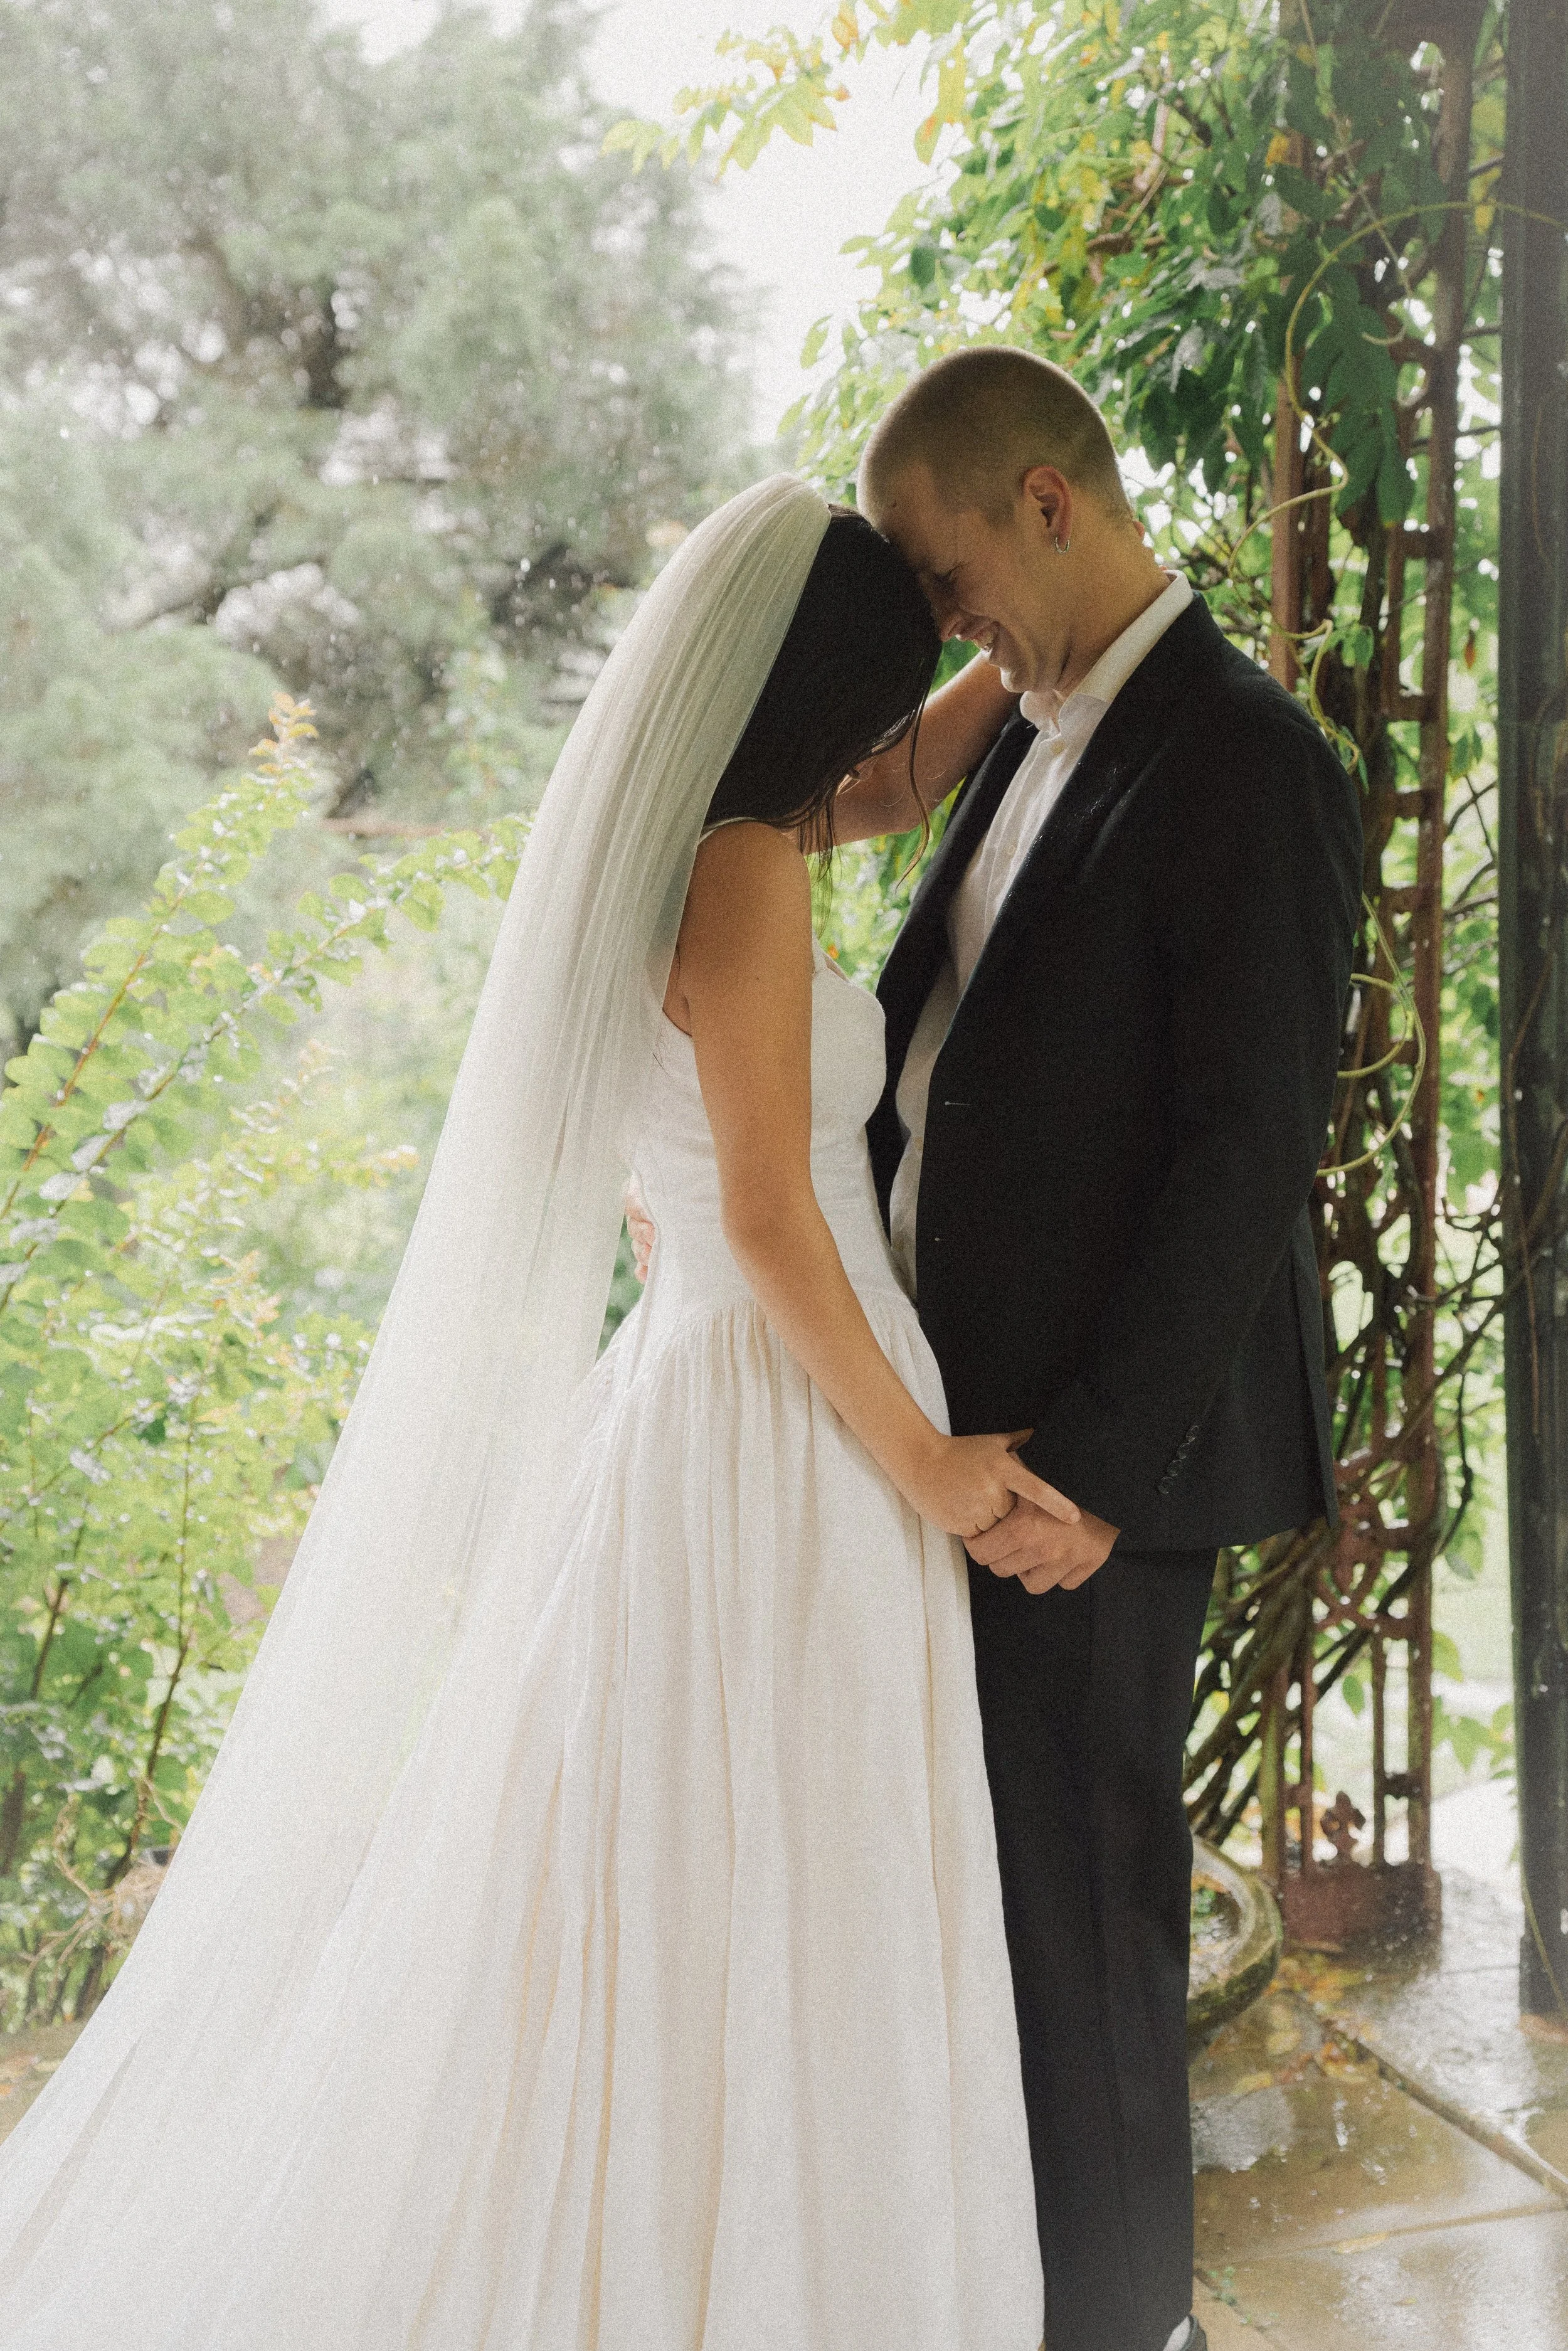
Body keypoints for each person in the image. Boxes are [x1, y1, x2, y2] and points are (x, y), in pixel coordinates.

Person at [0, 477, 1054, 2350]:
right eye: (882, 696)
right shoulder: (735, 865)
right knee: (774, 1873)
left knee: (714, 1867)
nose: (887, 743)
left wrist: (1032, 656)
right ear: (808, 704)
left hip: (719, 1391)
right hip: (783, 1415)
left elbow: (881, 794)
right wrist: (925, 1461)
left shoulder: (711, 828)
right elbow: (754, 1213)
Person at [835, 346, 1362, 2351]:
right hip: (973, 1442)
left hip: (1089, 1463)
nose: (932, 612)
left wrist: (1091, 1477)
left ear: (1044, 501)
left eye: (940, 562)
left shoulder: (1247, 759)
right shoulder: (1024, 718)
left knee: (1085, 1924)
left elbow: (1245, 1154)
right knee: (1002, 1913)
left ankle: (1121, 2324)